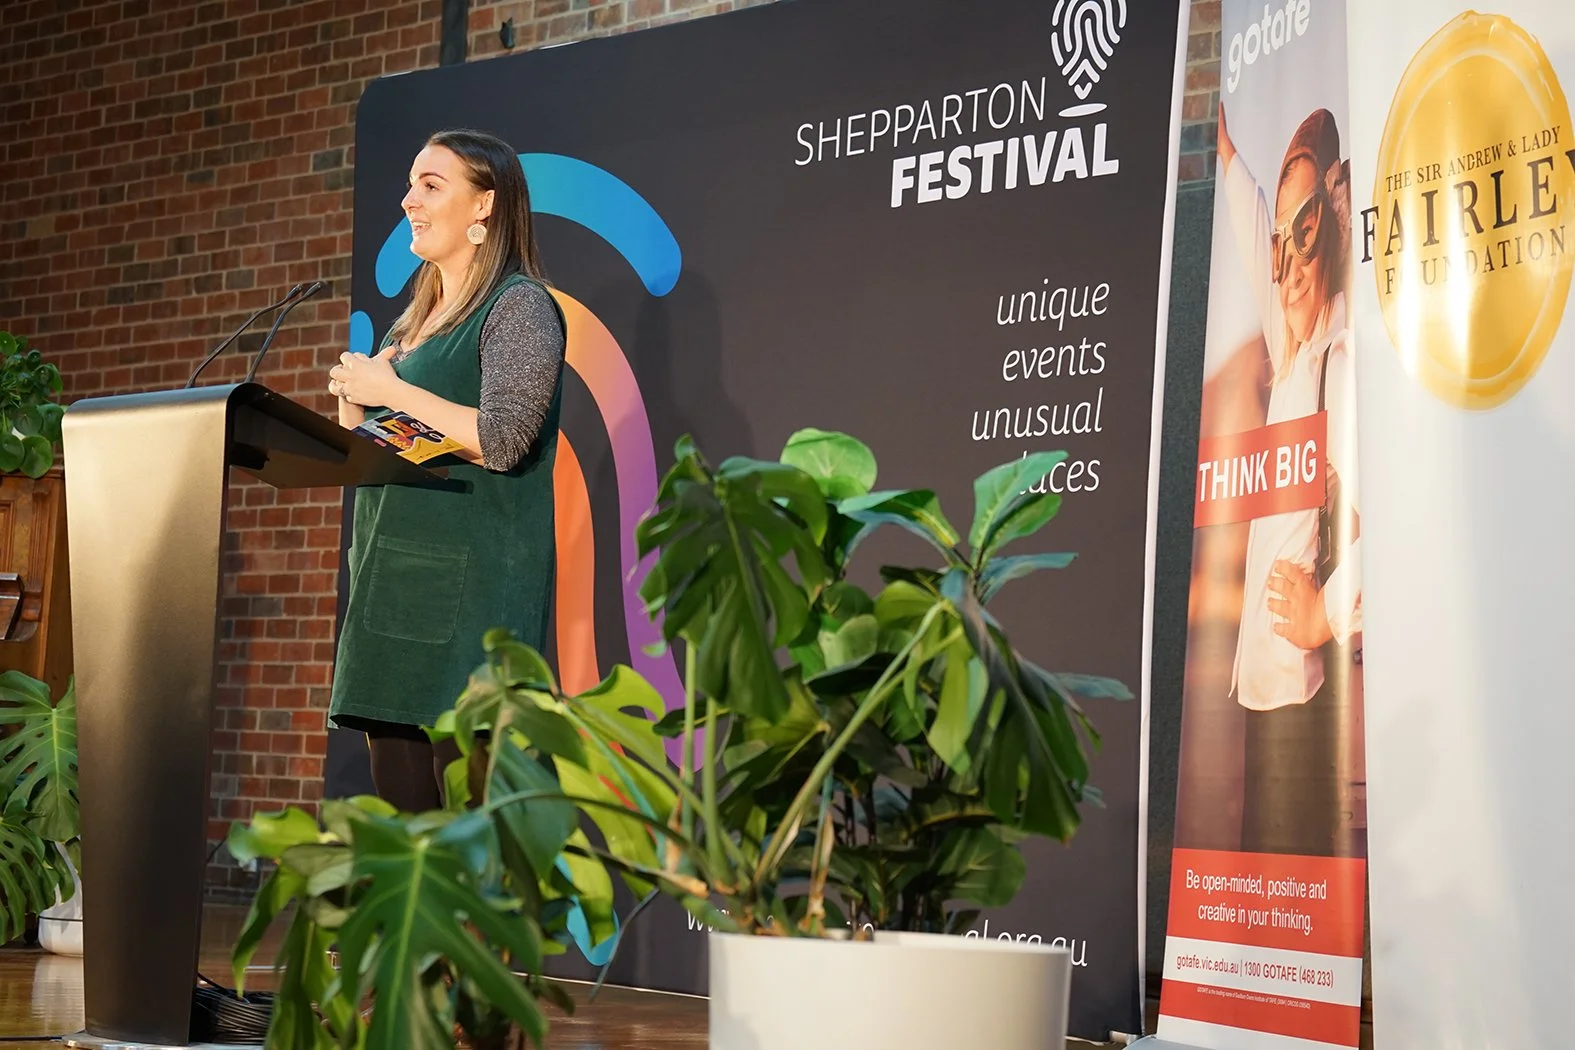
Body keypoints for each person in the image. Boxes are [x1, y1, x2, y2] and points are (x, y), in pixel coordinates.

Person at [324, 129, 566, 813]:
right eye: (410, 184)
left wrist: (392, 391)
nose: (408, 201)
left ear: (485, 205)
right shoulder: (414, 325)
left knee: (471, 832)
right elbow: (417, 448)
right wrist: (355, 412)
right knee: (410, 831)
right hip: (393, 593)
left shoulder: (518, 306)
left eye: (432, 185)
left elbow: (501, 440)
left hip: (470, 606)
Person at [1218, 105, 1363, 857]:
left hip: (1304, 699)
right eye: (1283, 242)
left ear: (1331, 228)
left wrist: (1326, 617)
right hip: (1260, 693)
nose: (1289, 264)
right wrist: (1219, 141)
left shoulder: (1339, 361)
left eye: (1306, 232)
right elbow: (1245, 221)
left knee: (1296, 886)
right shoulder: (1292, 341)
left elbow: (1384, 522)